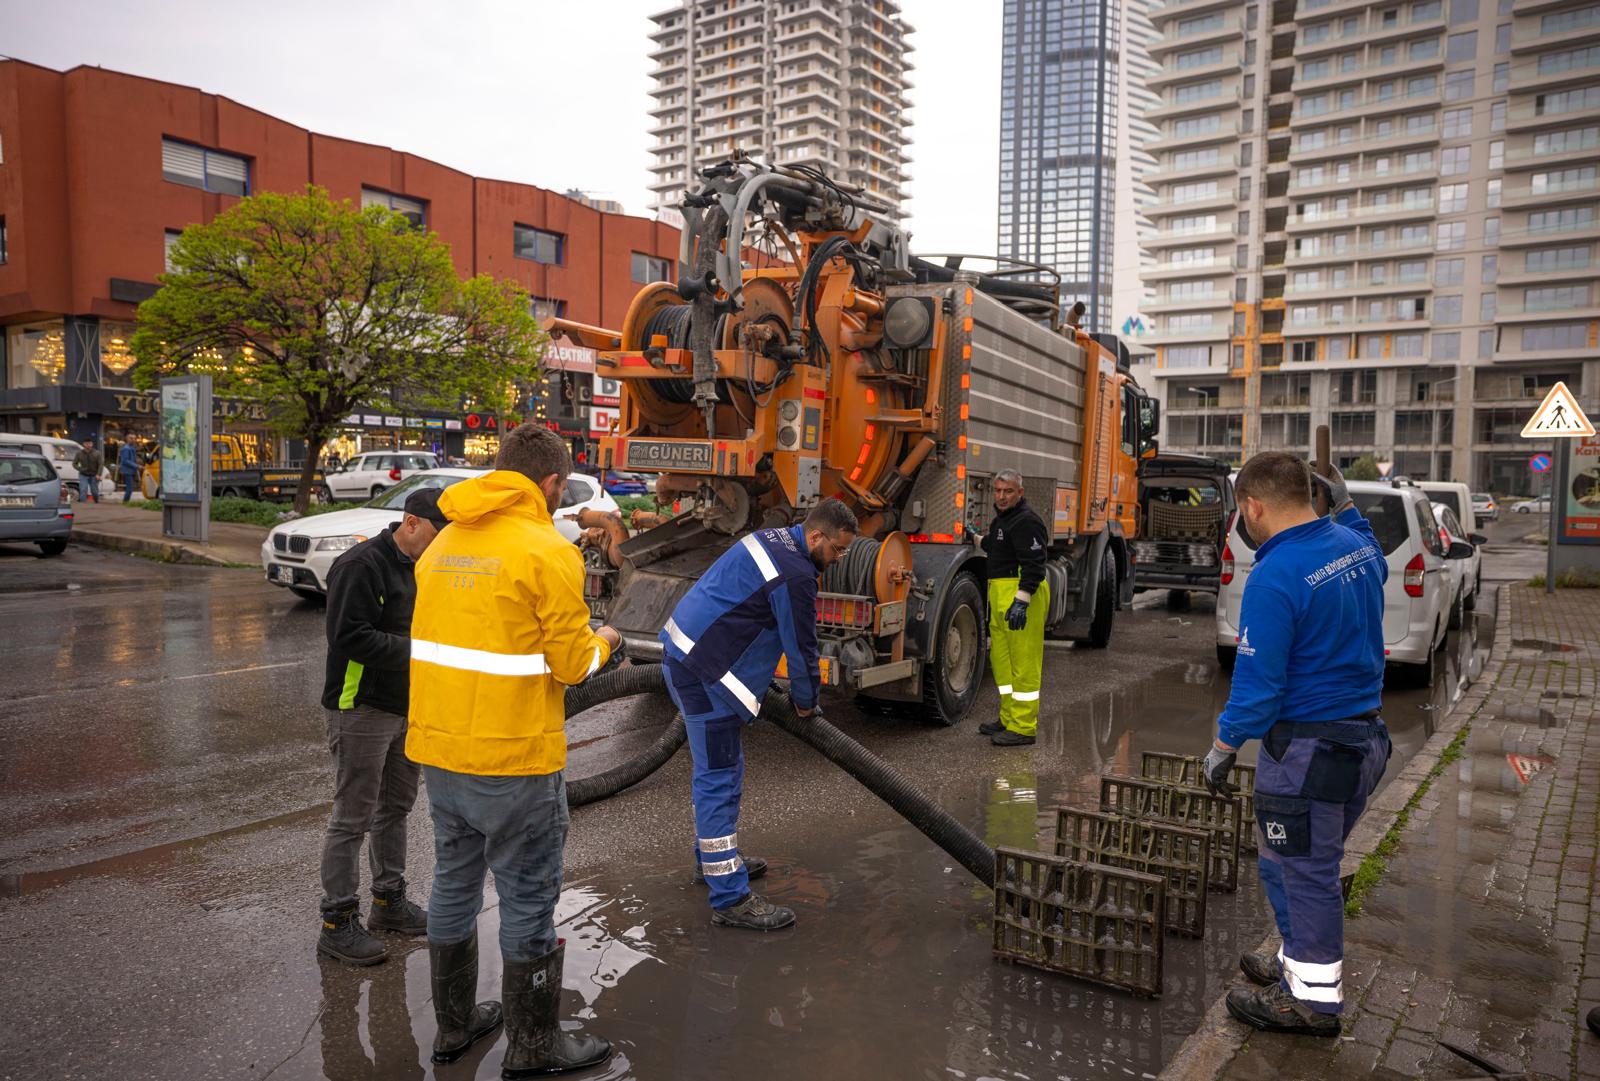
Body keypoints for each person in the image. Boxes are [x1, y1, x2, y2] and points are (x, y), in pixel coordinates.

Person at [407, 423, 621, 1076]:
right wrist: (606, 639)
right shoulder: (548, 551)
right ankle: (534, 1046)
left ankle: (455, 1025)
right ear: (551, 483)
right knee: (528, 896)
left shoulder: (442, 544)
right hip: (514, 762)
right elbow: (573, 663)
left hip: (441, 754)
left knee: (453, 883)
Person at [1200, 454, 1391, 1037]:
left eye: (1241, 510)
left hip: (1310, 752)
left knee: (1305, 870)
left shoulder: (1275, 575)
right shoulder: (1352, 546)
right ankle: (1294, 961)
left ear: (1253, 506)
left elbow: (1257, 689)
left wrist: (1223, 745)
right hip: (1365, 744)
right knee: (1290, 862)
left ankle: (1311, 1002)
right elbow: (1377, 556)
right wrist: (1352, 506)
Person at [660, 498, 857, 931]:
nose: (839, 558)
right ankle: (729, 898)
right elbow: (801, 649)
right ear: (817, 536)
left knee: (719, 773)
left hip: (684, 656)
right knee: (718, 779)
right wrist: (806, 703)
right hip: (706, 677)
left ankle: (715, 862)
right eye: (838, 550)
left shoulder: (771, 539)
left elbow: (746, 613)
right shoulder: (796, 575)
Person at [316, 487, 451, 967]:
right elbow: (349, 637)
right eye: (438, 532)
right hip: (360, 707)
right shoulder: (360, 565)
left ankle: (388, 902)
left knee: (395, 807)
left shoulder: (425, 567)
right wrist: (420, 651)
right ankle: (337, 921)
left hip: (405, 708)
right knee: (352, 816)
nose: (442, 544)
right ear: (411, 523)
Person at [978, 469, 1050, 747]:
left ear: (1020, 492)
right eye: (997, 490)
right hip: (1000, 593)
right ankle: (1008, 718)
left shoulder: (1027, 521)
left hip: (1019, 596)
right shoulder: (1003, 520)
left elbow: (1035, 563)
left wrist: (1022, 600)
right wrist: (974, 538)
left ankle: (1023, 727)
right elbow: (994, 546)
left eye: (1008, 491)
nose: (1001, 496)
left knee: (1024, 663)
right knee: (1003, 661)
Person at [72, 438, 102, 503]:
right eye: (86, 443)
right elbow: (74, 464)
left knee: (94, 491)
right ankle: (83, 504)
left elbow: (100, 464)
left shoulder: (97, 453)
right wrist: (80, 469)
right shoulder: (79, 453)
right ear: (83, 444)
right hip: (83, 474)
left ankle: (96, 502)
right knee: (83, 489)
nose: (88, 445)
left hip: (94, 475)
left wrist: (98, 474)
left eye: (89, 443)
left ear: (92, 444)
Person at [117, 437, 140, 503]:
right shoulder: (126, 449)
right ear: (127, 439)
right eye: (131, 438)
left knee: (130, 487)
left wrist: (137, 464)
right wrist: (136, 466)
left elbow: (131, 459)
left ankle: (126, 502)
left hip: (131, 470)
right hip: (127, 471)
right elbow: (125, 461)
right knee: (129, 488)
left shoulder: (131, 448)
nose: (133, 440)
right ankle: (125, 502)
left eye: (134, 438)